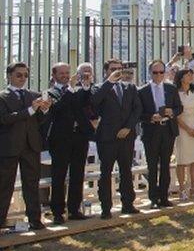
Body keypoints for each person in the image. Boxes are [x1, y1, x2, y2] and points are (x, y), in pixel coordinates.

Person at [0, 62, 52, 231]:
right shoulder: (3, 96)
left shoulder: (33, 95)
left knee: (32, 184)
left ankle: (35, 220)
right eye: (19, 75)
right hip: (10, 146)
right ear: (9, 76)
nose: (22, 78)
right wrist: (30, 110)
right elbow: (5, 119)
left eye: (25, 75)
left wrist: (44, 110)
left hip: (31, 145)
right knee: (4, 186)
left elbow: (39, 122)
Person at [90, 59, 143, 218]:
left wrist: (128, 127)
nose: (117, 72)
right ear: (106, 71)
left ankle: (128, 204)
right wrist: (109, 82)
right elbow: (94, 102)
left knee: (126, 170)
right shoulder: (98, 88)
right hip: (107, 137)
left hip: (126, 136)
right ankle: (106, 208)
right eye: (113, 69)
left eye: (119, 69)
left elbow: (137, 108)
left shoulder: (130, 87)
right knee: (105, 172)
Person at [45, 62, 92, 224]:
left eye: (67, 72)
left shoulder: (76, 90)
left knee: (77, 174)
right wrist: (71, 89)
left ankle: (74, 209)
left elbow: (86, 104)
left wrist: (86, 87)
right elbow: (58, 108)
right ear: (54, 75)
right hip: (60, 140)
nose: (65, 76)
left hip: (79, 137)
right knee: (58, 176)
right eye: (62, 73)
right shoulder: (50, 93)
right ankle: (58, 212)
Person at [137, 60, 183, 208]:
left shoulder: (171, 88)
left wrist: (172, 112)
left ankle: (164, 197)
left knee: (165, 164)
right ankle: (153, 198)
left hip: (167, 130)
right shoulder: (142, 91)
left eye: (161, 72)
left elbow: (179, 108)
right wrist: (151, 117)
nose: (158, 75)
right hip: (151, 131)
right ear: (150, 73)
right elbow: (138, 114)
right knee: (152, 166)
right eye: (155, 72)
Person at [173, 68, 194, 201]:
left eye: (191, 74)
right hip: (182, 129)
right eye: (187, 74)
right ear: (181, 77)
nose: (190, 76)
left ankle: (193, 188)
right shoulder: (175, 92)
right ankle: (182, 189)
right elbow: (176, 114)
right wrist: (187, 129)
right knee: (182, 160)